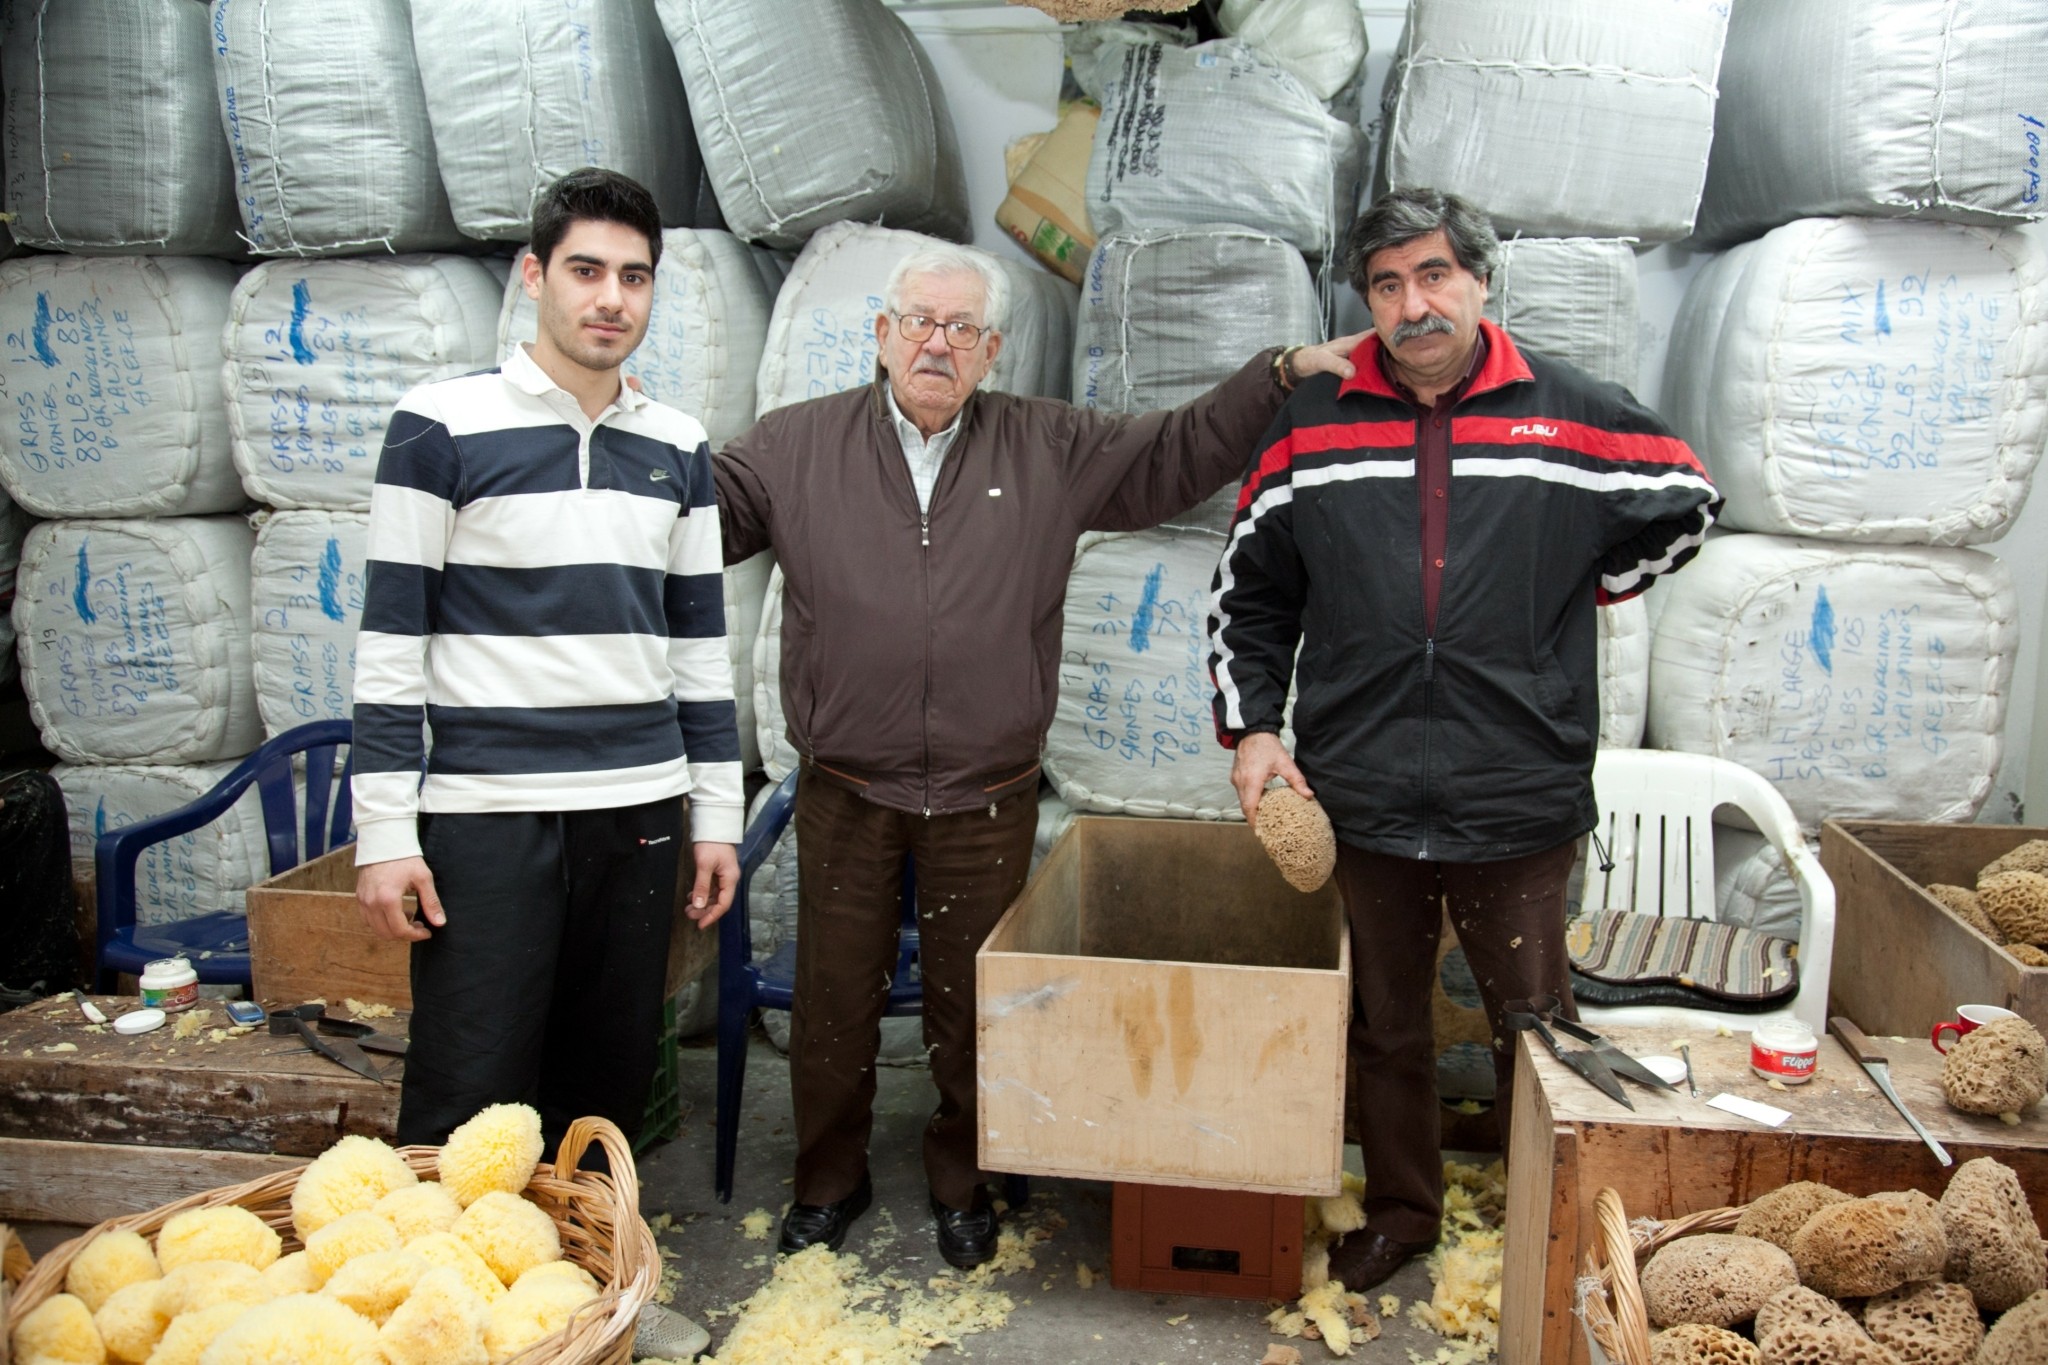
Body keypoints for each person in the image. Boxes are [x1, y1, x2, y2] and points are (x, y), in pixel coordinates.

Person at [715, 240, 1363, 1268]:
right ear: (881, 336)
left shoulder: (1047, 445)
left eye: (962, 328)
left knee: (978, 1004)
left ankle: (964, 1179)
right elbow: (696, 517)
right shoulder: (794, 446)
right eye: (919, 322)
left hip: (986, 793)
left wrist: (1275, 376)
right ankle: (827, 1180)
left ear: (992, 352)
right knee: (833, 1001)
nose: (937, 343)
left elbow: (1175, 453)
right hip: (848, 785)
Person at [1207, 188, 1720, 1291]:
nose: (1413, 306)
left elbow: (1686, 497)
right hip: (1363, 787)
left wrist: (1581, 586)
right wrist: (1251, 729)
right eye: (1386, 285)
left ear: (1480, 283)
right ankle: (1403, 1211)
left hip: (1516, 787)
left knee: (1534, 1027)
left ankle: (1554, 1218)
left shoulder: (1566, 411)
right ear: (1366, 302)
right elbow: (1249, 591)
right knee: (1385, 1026)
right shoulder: (1314, 425)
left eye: (1434, 275)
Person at [351, 168, 743, 1151]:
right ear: (534, 276)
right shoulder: (439, 425)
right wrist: (385, 832)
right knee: (468, 1089)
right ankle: (455, 1258)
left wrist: (716, 819)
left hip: (639, 811)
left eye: (634, 277)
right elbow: (392, 647)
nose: (611, 298)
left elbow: (699, 653)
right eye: (586, 270)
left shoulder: (678, 446)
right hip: (489, 815)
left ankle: (588, 1256)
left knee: (603, 1095)